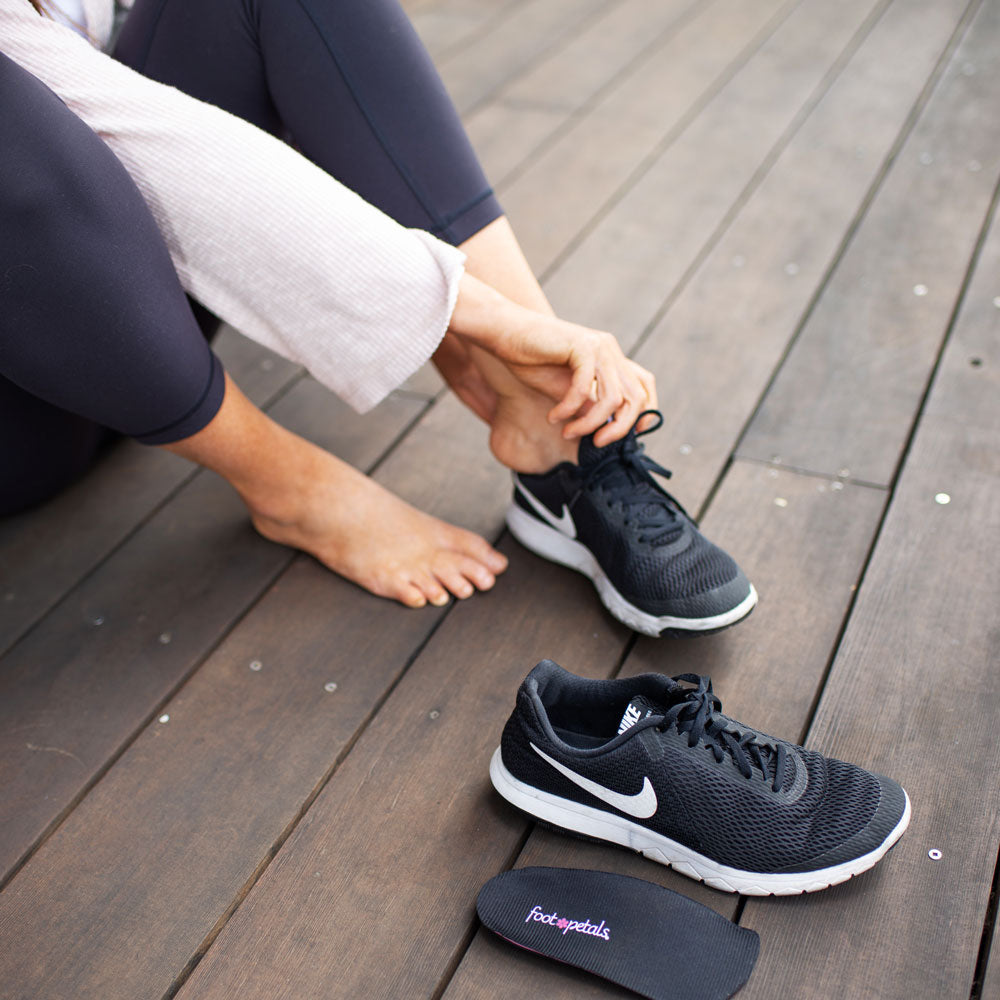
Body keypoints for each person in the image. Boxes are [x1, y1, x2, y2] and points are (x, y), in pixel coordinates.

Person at [0, 0, 755, 634]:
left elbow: (133, 115)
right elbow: (80, 123)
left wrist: (477, 323)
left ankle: (550, 423)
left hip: (141, 316)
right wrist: (461, 309)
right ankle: (290, 489)